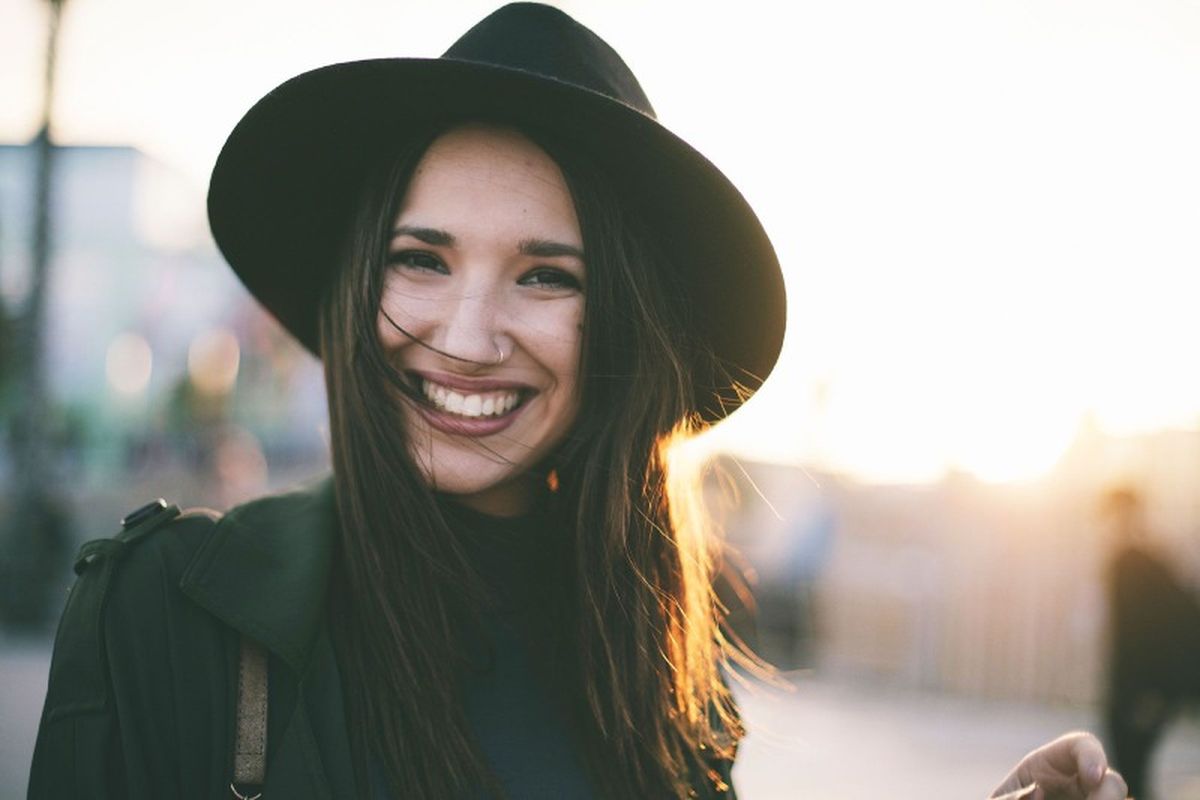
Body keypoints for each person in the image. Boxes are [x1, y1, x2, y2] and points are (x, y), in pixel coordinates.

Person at [28, 4, 1128, 798]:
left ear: (624, 333)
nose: (466, 336)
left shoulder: (667, 691)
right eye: (422, 258)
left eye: (546, 274)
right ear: (359, 282)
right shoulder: (167, 614)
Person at [1102, 486, 1200, 799]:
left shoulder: (1133, 566)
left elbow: (1137, 638)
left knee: (1130, 776)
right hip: (1145, 690)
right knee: (1130, 775)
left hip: (1140, 692)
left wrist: (1149, 691)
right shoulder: (1154, 563)